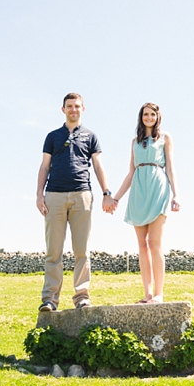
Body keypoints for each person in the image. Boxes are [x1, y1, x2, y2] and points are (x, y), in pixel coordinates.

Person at [36, 93, 115, 312]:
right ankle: (50, 299)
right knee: (53, 251)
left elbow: (98, 166)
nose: (73, 109)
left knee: (82, 250)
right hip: (54, 196)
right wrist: (39, 195)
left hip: (82, 195)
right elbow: (44, 166)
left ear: (83, 109)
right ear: (63, 110)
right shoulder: (52, 136)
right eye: (69, 106)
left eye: (77, 106)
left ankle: (82, 296)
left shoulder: (91, 136)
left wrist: (106, 192)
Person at [111, 102, 180, 304]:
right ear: (141, 117)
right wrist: (116, 198)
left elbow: (171, 168)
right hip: (138, 191)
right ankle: (147, 293)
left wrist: (176, 195)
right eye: (145, 114)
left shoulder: (165, 138)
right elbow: (130, 173)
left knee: (154, 242)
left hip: (158, 187)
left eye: (152, 114)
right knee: (142, 245)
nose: (149, 117)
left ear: (158, 117)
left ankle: (159, 294)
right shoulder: (135, 141)